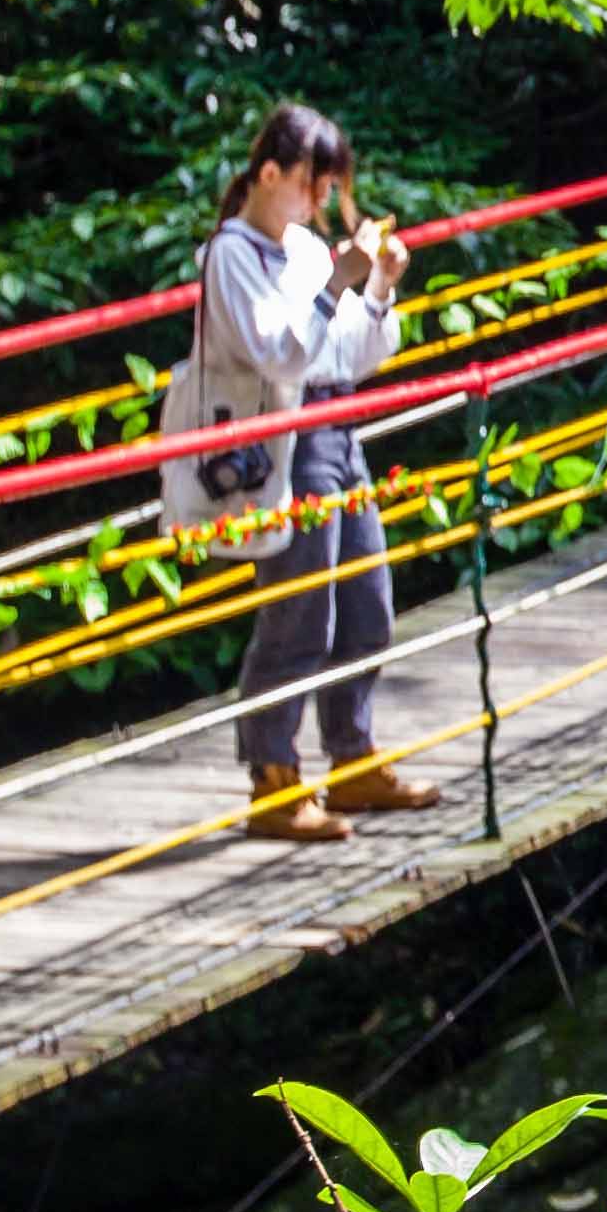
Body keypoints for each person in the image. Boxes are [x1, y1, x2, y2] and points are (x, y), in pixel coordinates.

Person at [198, 103, 428, 840]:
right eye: (313, 184)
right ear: (271, 174)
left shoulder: (300, 249)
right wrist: (340, 283)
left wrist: (378, 287)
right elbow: (278, 355)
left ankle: (351, 756)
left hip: (336, 429)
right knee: (300, 611)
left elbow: (352, 354)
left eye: (329, 189)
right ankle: (273, 778)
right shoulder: (231, 254)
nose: (321, 202)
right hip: (284, 442)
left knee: (368, 601)